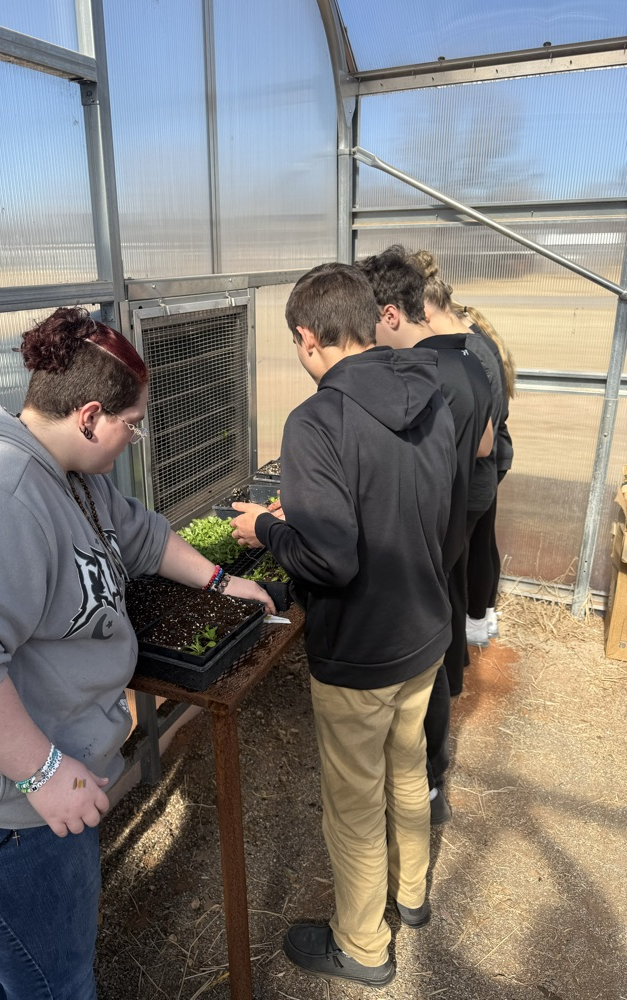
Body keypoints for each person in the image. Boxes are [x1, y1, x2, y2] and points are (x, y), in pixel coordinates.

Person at [0, 306, 273, 1000]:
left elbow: (142, 536)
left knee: (34, 977)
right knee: (57, 986)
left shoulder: (72, 477)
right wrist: (43, 772)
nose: (133, 437)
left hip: (27, 808)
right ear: (90, 415)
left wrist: (221, 580)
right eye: (130, 424)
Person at [231, 262, 456, 989]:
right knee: (409, 769)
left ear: (307, 337)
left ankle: (362, 947)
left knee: (354, 805)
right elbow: (413, 502)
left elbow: (330, 562)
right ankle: (412, 897)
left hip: (360, 651)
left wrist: (267, 528)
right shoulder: (433, 393)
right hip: (425, 627)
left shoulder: (317, 420)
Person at [357, 246, 492, 826]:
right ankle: (430, 778)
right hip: (450, 532)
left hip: (422, 545)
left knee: (420, 671)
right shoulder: (469, 365)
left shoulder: (424, 380)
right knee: (434, 654)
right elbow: (484, 450)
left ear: (390, 315)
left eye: (368, 323)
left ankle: (426, 782)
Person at [458, 304, 515, 644]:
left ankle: (477, 621)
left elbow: (482, 435)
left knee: (474, 545)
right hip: (496, 458)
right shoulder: (483, 343)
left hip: (485, 462)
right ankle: (485, 616)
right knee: (483, 539)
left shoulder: (472, 350)